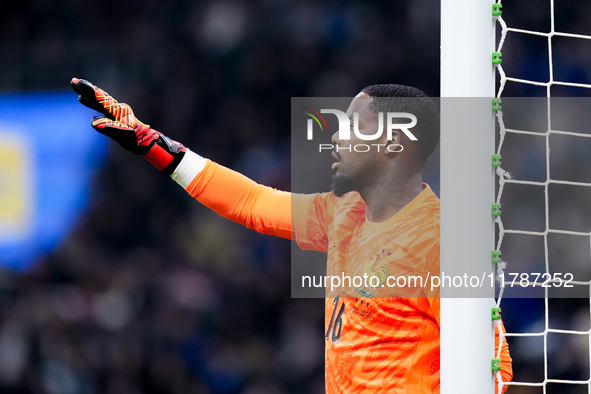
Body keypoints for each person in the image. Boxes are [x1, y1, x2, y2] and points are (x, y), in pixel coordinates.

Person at [71, 78, 512, 393]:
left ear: (394, 143)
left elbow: (496, 366)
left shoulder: (442, 241)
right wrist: (151, 142)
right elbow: (250, 201)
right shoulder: (342, 213)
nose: (336, 136)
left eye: (354, 126)